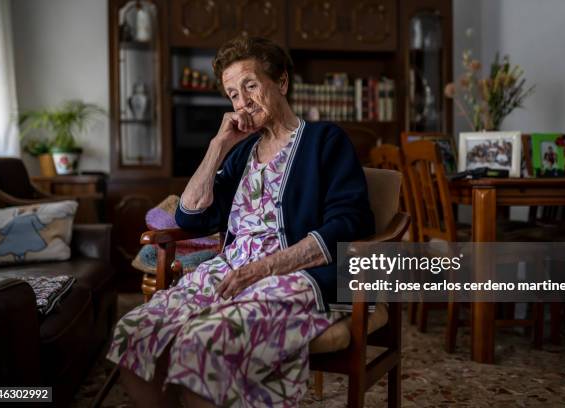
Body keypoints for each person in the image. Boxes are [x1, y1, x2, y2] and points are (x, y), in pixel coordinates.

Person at [107, 36, 374, 407]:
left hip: (295, 274)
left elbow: (350, 223)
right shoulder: (243, 151)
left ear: (281, 82)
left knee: (204, 342)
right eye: (232, 94)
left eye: (250, 85)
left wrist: (262, 269)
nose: (242, 101)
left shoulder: (324, 140)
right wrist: (219, 145)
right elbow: (190, 215)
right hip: (230, 269)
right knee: (135, 330)